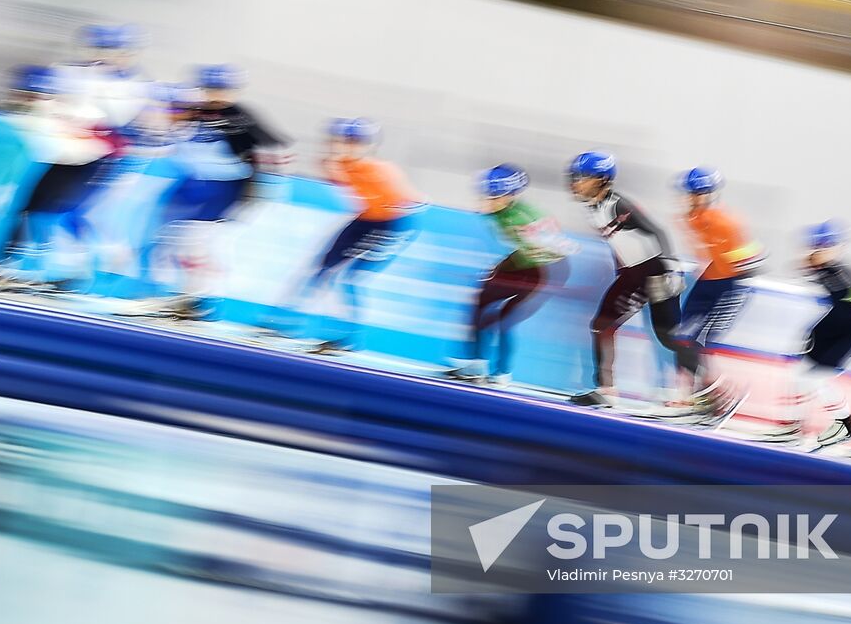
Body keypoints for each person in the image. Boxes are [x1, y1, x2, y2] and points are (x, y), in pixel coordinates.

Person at [0, 23, 147, 290]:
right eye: (100, 48)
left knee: (55, 215)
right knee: (29, 210)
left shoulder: (130, 88)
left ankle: (49, 269)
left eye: (112, 49)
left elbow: (112, 123)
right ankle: (6, 265)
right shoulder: (69, 75)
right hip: (70, 155)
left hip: (97, 158)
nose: (104, 55)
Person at [566, 151, 697, 409]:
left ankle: (696, 393)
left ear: (602, 180)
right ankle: (605, 390)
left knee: (668, 336)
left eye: (582, 178)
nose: (575, 183)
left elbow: (657, 231)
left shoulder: (618, 205)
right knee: (602, 325)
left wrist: (671, 270)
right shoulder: (593, 208)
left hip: (654, 270)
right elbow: (621, 243)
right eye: (575, 177)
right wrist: (622, 271)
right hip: (633, 273)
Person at [287, 118, 425, 355]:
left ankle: (347, 338)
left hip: (396, 222)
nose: (347, 147)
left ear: (368, 146)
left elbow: (405, 204)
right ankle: (286, 323)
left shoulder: (380, 171)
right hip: (367, 217)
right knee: (321, 269)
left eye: (355, 142)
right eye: (343, 141)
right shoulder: (333, 164)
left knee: (350, 278)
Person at [120, 83, 254, 320]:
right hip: (196, 187)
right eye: (168, 110)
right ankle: (178, 296)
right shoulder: (181, 129)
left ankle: (196, 299)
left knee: (190, 245)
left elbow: (239, 163)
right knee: (162, 241)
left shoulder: (206, 130)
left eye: (176, 109)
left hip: (219, 191)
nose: (171, 115)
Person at [446, 164, 575, 387]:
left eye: (493, 196)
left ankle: (502, 373)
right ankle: (476, 365)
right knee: (481, 301)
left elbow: (552, 250)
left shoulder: (521, 221)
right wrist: (501, 267)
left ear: (510, 196)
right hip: (526, 259)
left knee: (505, 319)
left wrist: (553, 246)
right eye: (486, 195)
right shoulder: (502, 210)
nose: (486, 200)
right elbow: (524, 250)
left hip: (549, 270)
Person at [763, 221, 851, 448]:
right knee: (797, 374)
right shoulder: (819, 267)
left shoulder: (844, 273)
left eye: (824, 247)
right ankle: (792, 425)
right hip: (829, 326)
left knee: (814, 380)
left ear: (837, 248)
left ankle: (846, 424)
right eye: (815, 247)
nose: (818, 252)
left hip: (848, 332)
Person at [674, 166, 764, 424]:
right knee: (680, 338)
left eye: (700, 193)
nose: (693, 198)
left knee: (700, 341)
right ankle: (693, 396)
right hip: (707, 282)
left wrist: (742, 263)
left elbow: (749, 258)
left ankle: (718, 397)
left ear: (711, 194)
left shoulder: (726, 222)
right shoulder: (688, 218)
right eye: (690, 193)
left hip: (731, 286)